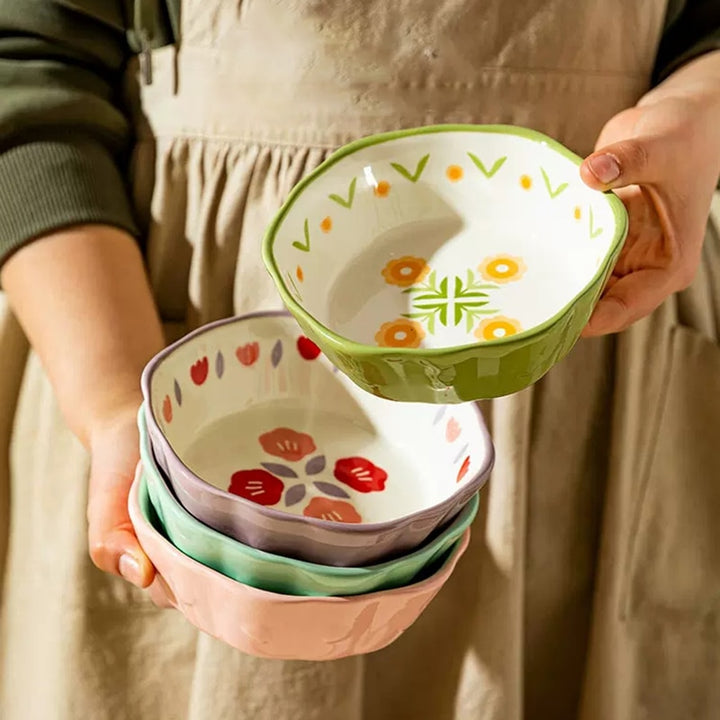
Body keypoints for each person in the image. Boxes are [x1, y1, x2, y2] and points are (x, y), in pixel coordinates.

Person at [0, 1, 719, 718]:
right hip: (153, 337)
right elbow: (28, 66)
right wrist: (113, 404)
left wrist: (698, 116)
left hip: (595, 355)